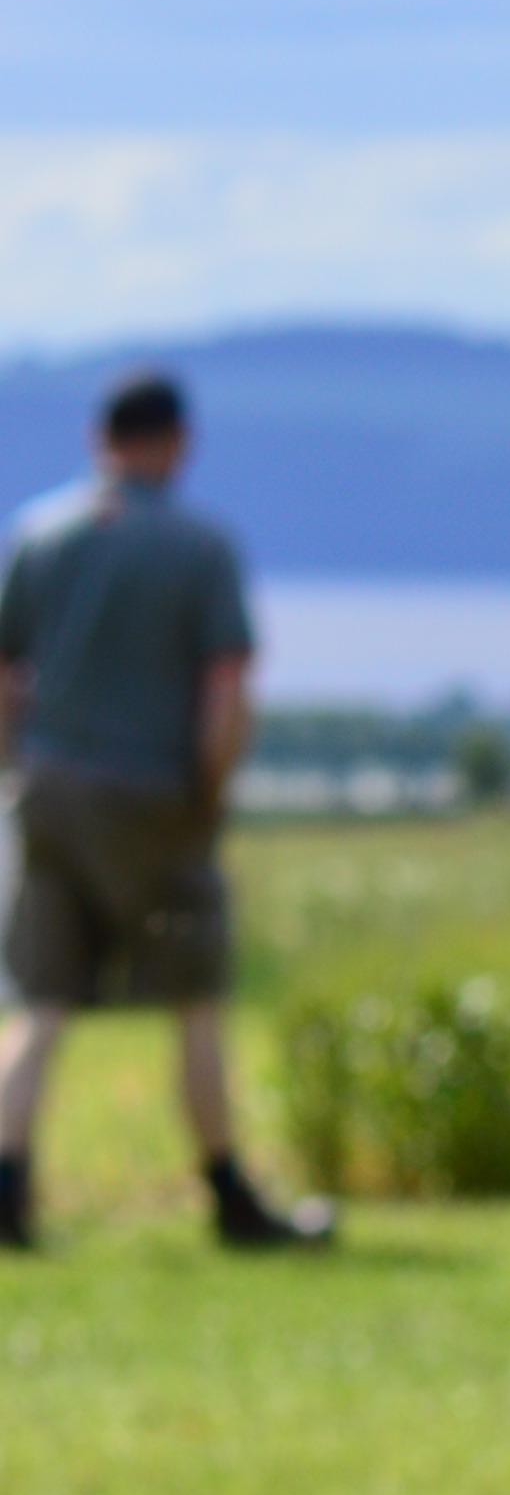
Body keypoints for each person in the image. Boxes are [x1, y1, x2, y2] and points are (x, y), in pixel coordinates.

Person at [0, 373, 327, 1252]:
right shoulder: (196, 547)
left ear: (98, 436)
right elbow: (225, 690)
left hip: (48, 790)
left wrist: (16, 772)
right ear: (176, 442)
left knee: (42, 1001)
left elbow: (5, 677)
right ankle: (229, 1196)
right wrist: (208, 795)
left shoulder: (36, 535)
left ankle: (5, 1185)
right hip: (152, 797)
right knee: (194, 997)